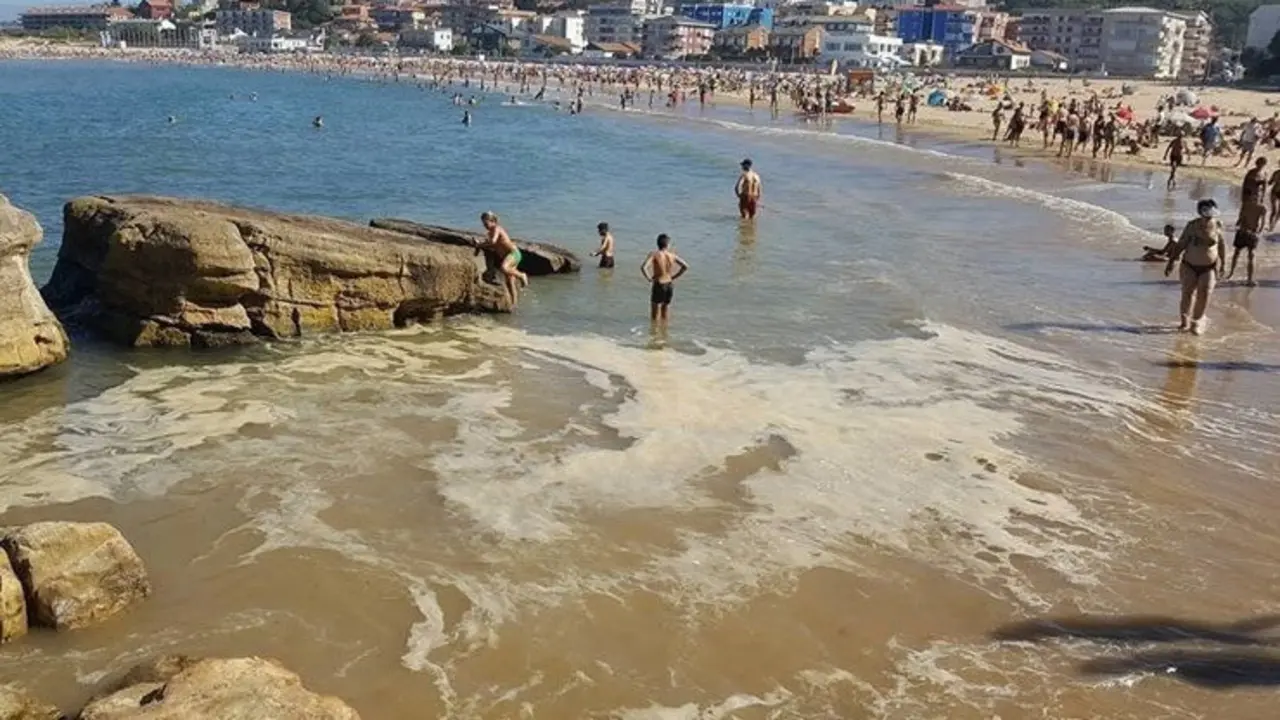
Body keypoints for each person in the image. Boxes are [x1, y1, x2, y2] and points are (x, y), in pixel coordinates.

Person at [1165, 199, 1227, 335]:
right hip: (1189, 265)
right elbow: (1181, 245)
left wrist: (1223, 263)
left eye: (1211, 211)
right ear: (1200, 212)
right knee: (1187, 293)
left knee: (1204, 294)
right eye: (1205, 211)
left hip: (1209, 267)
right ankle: (1184, 322)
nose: (1208, 215)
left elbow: (1221, 245)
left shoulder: (1218, 225)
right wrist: (1171, 262)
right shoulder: (1192, 226)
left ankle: (1196, 322)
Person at [479, 211, 528, 305]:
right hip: (507, 256)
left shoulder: (497, 228)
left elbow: (493, 242)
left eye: (486, 223)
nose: (485, 226)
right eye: (483, 224)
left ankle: (522, 275)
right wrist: (481, 244)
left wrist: (480, 244)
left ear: (492, 221)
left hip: (513, 253)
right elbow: (492, 245)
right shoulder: (490, 233)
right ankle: (513, 304)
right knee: (510, 283)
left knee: (504, 268)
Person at [641, 233, 689, 323]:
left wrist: (649, 278)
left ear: (657, 243)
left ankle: (655, 333)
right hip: (669, 284)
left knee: (654, 312)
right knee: (665, 309)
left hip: (659, 283)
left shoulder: (654, 254)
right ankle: (664, 331)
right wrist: (674, 277)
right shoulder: (672, 255)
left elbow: (643, 267)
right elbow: (685, 266)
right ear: (667, 244)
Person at [1228, 194, 1266, 286]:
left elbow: (1262, 222)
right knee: (1237, 253)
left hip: (1251, 233)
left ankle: (1249, 278)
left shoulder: (1261, 208)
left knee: (1250, 255)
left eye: (1256, 197)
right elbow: (1241, 217)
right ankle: (1231, 273)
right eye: (1253, 197)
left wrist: (1259, 231)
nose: (1254, 199)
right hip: (1244, 232)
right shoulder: (1247, 205)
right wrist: (1239, 225)